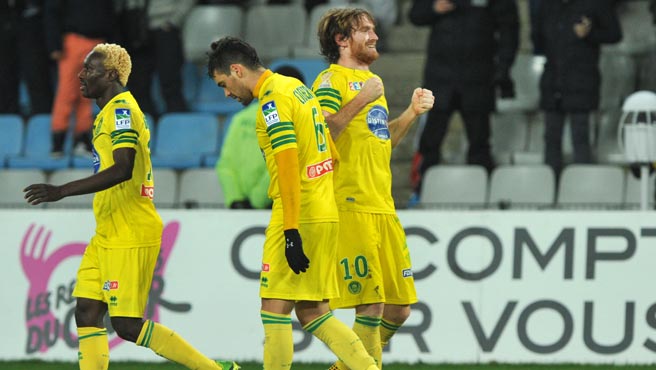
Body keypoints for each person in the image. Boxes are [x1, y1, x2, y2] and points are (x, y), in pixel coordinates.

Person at [23, 43, 238, 370]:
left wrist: (62, 190)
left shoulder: (123, 111)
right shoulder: (106, 113)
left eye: (89, 70)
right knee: (86, 311)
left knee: (126, 326)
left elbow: (124, 168)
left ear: (110, 74)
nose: (81, 75)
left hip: (131, 231)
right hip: (107, 231)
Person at [207, 36, 380, 370]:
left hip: (297, 213)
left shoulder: (272, 102)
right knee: (313, 311)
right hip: (323, 209)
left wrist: (290, 231)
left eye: (223, 84)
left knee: (274, 308)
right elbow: (330, 151)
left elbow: (286, 165)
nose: (226, 93)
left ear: (237, 70)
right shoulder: (298, 89)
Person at [312, 8, 434, 370]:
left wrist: (410, 113)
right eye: (364, 30)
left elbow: (382, 142)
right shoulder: (330, 81)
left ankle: (345, 367)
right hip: (350, 205)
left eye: (373, 29)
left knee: (399, 309)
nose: (375, 35)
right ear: (341, 40)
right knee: (372, 304)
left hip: (383, 206)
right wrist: (362, 98)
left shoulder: (371, 84)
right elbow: (323, 135)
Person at [408, 0, 519, 193]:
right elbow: (416, 15)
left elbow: (510, 28)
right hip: (439, 80)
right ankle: (421, 192)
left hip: (478, 79)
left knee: (479, 144)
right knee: (430, 143)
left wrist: (503, 68)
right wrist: (434, 8)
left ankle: (483, 195)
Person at [532, 0, 622, 175]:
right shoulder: (548, 5)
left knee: (580, 138)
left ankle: (582, 187)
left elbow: (615, 34)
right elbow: (538, 37)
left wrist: (590, 34)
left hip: (582, 80)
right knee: (551, 138)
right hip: (553, 81)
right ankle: (550, 188)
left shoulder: (594, 4)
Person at [216, 65, 305, 210]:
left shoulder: (241, 118)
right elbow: (282, 164)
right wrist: (256, 200)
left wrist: (235, 199)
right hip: (274, 204)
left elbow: (226, 164)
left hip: (243, 206)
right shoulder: (295, 120)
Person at [44, 0, 117, 156]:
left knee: (89, 94)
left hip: (98, 42)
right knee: (67, 93)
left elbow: (110, 14)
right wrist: (55, 45)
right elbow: (52, 12)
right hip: (72, 41)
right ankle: (58, 143)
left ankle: (82, 141)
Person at [122, 0, 195, 117]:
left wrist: (174, 20)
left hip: (164, 26)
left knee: (170, 81)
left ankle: (177, 126)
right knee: (137, 83)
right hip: (136, 26)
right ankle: (147, 126)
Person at [0, 0, 54, 116]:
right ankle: (8, 124)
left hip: (32, 19)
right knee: (4, 77)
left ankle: (42, 122)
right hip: (4, 19)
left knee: (36, 75)